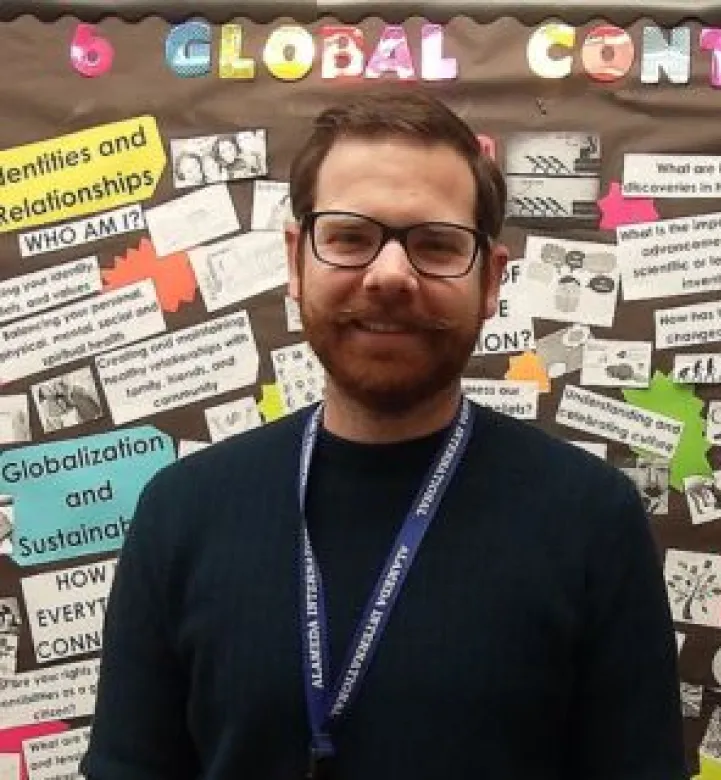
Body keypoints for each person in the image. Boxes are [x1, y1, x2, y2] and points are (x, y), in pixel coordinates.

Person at [82, 88, 686, 780]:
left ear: (491, 281)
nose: (390, 275)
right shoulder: (181, 513)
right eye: (349, 236)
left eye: (435, 244)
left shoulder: (592, 519)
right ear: (295, 260)